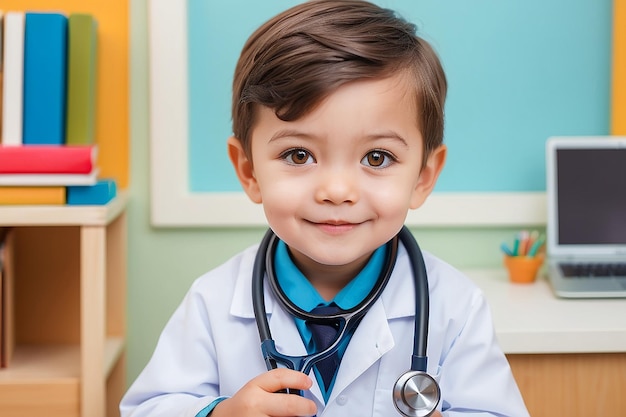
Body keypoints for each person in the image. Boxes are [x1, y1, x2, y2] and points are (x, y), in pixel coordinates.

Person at [121, 1, 529, 416]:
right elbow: (149, 407)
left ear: (423, 177)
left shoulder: (455, 307)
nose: (337, 191)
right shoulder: (213, 302)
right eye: (299, 155)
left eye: (376, 158)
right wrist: (220, 414)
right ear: (249, 170)